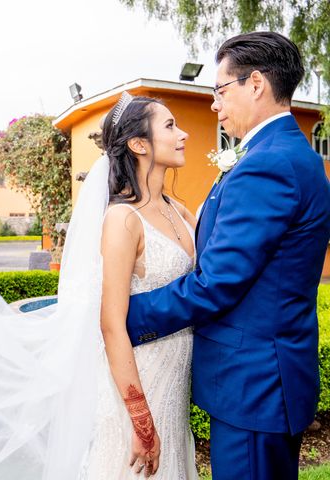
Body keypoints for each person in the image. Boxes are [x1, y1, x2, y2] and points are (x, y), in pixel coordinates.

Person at [125, 32, 330, 479]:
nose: (215, 105)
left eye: (220, 91)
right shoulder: (280, 154)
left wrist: (125, 315)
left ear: (255, 83)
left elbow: (218, 281)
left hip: (253, 386)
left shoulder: (268, 163)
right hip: (259, 381)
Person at [78, 91, 198, 479]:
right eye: (170, 126)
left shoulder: (179, 210)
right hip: (139, 385)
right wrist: (142, 423)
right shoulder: (122, 219)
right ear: (139, 143)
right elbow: (111, 325)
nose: (183, 135)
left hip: (175, 387)